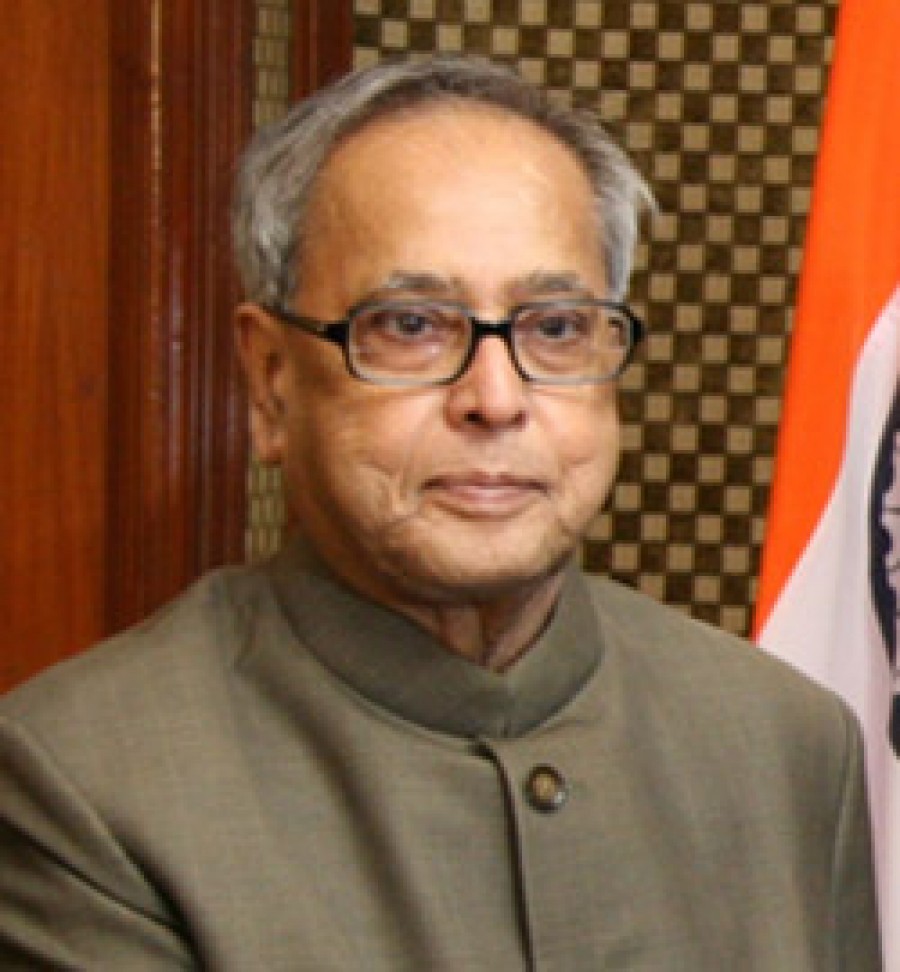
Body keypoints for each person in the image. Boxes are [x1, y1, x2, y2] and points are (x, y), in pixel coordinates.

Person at [0, 56, 881, 970]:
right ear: (270, 382)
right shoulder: (86, 783)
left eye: (555, 327)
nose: (495, 398)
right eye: (412, 325)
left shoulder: (786, 744)